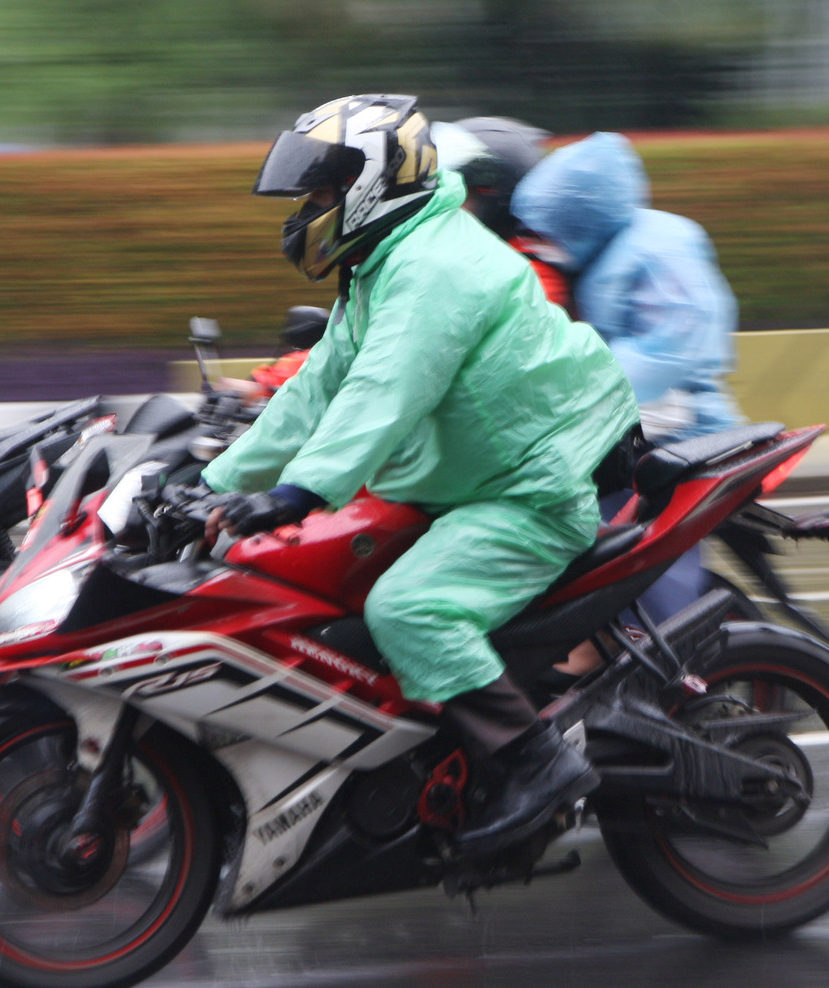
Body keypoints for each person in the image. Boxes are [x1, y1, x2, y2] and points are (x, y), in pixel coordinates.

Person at [200, 94, 640, 855]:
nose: (309, 208)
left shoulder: (434, 268)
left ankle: (539, 766)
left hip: (531, 485)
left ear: (372, 183)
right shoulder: (384, 262)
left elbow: (385, 393)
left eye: (322, 191)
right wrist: (215, 485)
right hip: (472, 479)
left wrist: (297, 495)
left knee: (409, 609)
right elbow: (316, 390)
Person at [512, 131, 743, 650]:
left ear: (582, 214)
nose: (544, 242)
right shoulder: (612, 248)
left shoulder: (656, 249)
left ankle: (647, 648)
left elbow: (668, 347)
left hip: (679, 430)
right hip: (637, 418)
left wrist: (580, 395)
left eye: (551, 229)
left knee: (631, 538)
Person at [432, 116, 572, 308]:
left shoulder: (531, 275)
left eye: (462, 193)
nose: (447, 204)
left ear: (498, 196)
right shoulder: (469, 256)